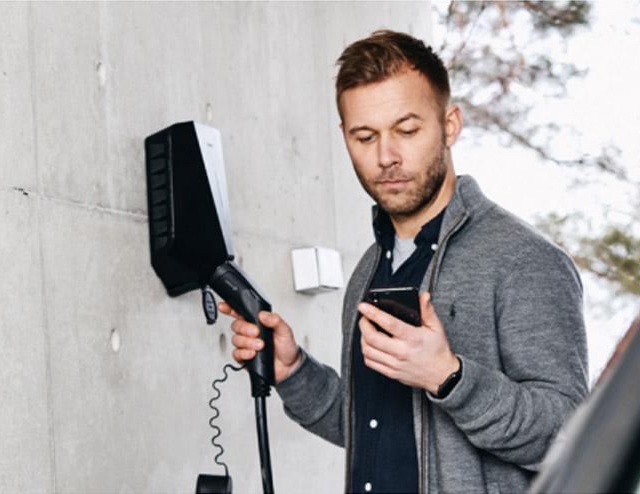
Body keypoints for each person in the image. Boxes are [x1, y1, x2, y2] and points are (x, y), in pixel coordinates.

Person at [221, 30, 588, 494]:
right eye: (365, 136)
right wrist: (293, 371)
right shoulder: (368, 273)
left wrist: (448, 377)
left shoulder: (524, 260)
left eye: (407, 130)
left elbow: (570, 435)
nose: (386, 157)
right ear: (344, 137)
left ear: (450, 125)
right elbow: (369, 429)